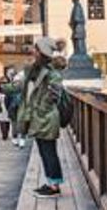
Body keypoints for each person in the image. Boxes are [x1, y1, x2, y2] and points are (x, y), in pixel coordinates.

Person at [16, 36, 69, 197]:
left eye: (36, 49)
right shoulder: (36, 69)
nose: (34, 51)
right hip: (40, 118)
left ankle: (54, 187)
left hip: (46, 118)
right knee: (45, 152)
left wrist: (40, 108)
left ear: (43, 52)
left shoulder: (51, 71)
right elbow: (23, 85)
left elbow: (55, 92)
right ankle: (51, 183)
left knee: (49, 152)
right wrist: (2, 88)